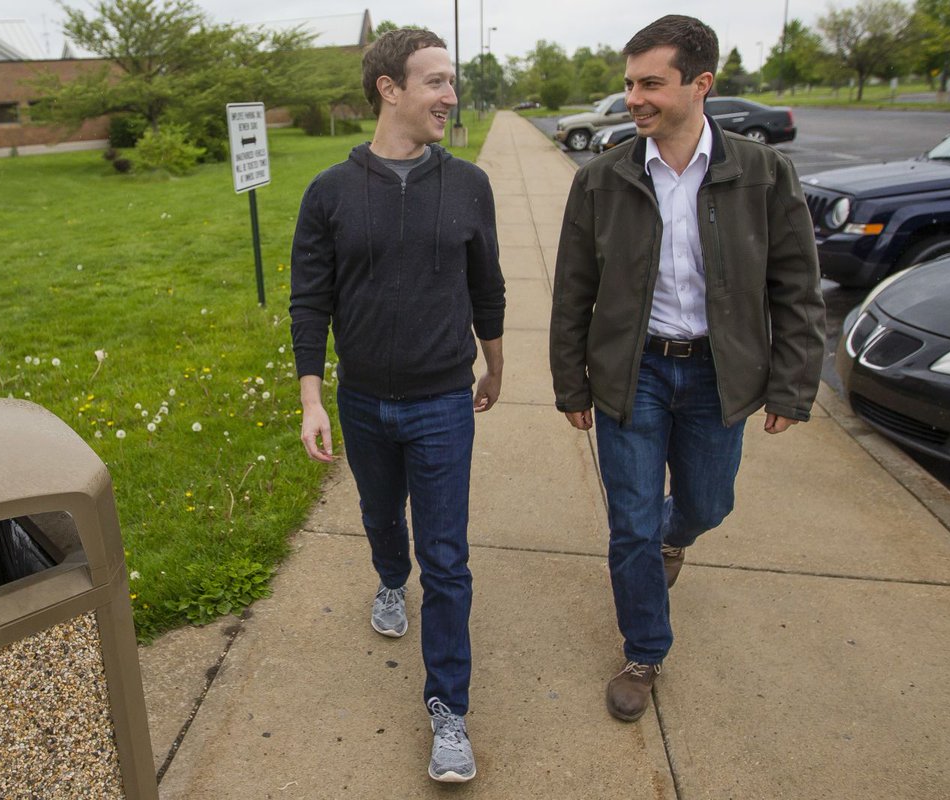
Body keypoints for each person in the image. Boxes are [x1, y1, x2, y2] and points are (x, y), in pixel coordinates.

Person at [549, 14, 825, 723]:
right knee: (631, 524)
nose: (633, 98)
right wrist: (571, 382)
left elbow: (796, 287)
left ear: (700, 84)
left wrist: (793, 385)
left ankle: (677, 538)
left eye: (650, 84)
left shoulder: (763, 173)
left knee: (707, 505)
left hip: (716, 374)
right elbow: (573, 290)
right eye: (629, 84)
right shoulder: (603, 179)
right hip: (633, 372)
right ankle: (644, 650)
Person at [289, 28, 505, 782]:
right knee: (383, 518)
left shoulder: (469, 184)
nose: (451, 95)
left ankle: (449, 711)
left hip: (443, 400)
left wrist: (495, 364)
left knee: (446, 559)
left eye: (451, 81)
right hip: (363, 402)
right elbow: (310, 300)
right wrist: (312, 398)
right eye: (436, 81)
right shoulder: (330, 192)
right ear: (389, 89)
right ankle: (388, 577)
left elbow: (487, 286)